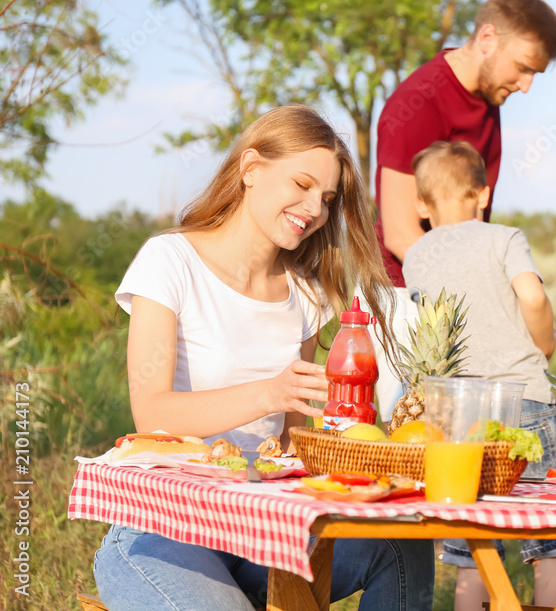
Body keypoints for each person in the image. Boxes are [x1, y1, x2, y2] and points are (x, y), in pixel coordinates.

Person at [92, 105, 434, 611]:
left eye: (326, 198)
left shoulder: (306, 293)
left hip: (261, 529)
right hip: (166, 529)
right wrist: (268, 392)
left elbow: (292, 443)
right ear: (251, 169)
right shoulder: (171, 262)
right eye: (300, 184)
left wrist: (355, 447)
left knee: (401, 546)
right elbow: (152, 412)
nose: (314, 208)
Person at [401, 141, 556, 611]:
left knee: (471, 542)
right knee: (550, 534)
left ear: (422, 205)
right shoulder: (504, 236)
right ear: (483, 194)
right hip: (526, 401)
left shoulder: (416, 255)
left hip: (457, 414)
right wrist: (544, 343)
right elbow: (534, 298)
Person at [368, 0, 556, 421]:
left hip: (460, 298)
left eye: (536, 74)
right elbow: (401, 232)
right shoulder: (417, 103)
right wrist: (480, 301)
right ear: (488, 38)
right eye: (523, 68)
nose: (526, 85)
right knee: (423, 453)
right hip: (411, 302)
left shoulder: (488, 98)